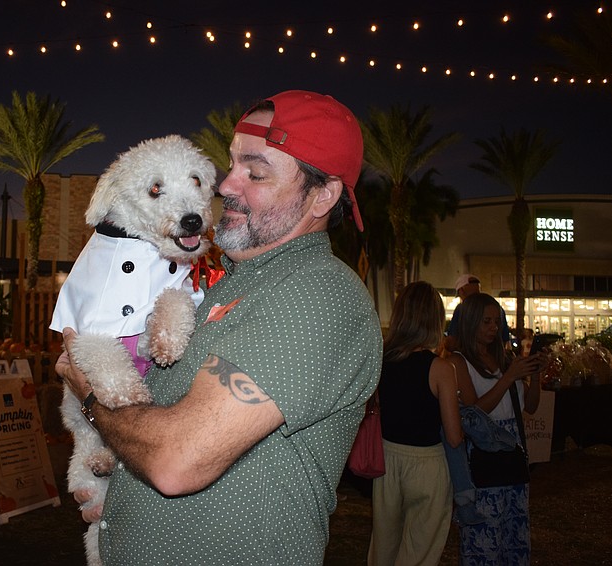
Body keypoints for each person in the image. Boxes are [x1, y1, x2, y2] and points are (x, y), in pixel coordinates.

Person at [56, 90, 382, 565]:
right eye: (230, 166)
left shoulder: (319, 295)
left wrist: (87, 391)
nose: (225, 185)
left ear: (324, 196)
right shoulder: (223, 283)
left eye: (255, 173)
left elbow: (176, 461)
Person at [367, 281, 462, 566]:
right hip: (427, 463)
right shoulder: (441, 369)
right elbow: (455, 436)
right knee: (420, 551)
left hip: (387, 459)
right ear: (434, 319)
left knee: (383, 546)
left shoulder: (380, 361)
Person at [450, 292, 543, 565]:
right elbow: (472, 414)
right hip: (482, 458)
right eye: (486, 322)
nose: (494, 328)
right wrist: (509, 377)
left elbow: (531, 407)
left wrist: (534, 376)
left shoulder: (505, 359)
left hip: (512, 456)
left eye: (497, 321)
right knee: (484, 543)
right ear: (469, 323)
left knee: (514, 541)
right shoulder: (459, 362)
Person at [443, 274, 510, 353]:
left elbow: (451, 342)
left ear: (461, 291)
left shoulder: (462, 308)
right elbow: (505, 340)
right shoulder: (497, 308)